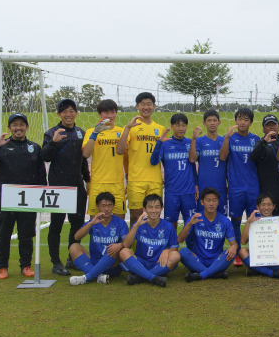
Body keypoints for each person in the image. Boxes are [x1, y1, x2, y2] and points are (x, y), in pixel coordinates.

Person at [0, 113, 47, 279]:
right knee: (4, 234)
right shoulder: (1, 146)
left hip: (29, 198)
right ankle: (2, 267)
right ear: (10, 128)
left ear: (27, 127)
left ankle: (25, 265)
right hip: (6, 198)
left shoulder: (34, 147)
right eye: (15, 125)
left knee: (26, 235)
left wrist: (41, 194)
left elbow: (41, 174)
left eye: (22, 124)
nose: (19, 127)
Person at [41, 98, 90, 276]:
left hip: (77, 187)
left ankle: (73, 257)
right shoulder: (51, 132)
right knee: (56, 225)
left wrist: (87, 180)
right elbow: (45, 157)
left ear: (76, 113)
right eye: (64, 111)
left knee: (77, 226)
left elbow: (83, 161)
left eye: (71, 111)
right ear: (59, 114)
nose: (68, 114)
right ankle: (56, 262)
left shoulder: (80, 132)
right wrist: (53, 142)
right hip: (58, 188)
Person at [117, 92, 165, 227]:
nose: (146, 107)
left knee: (154, 218)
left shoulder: (160, 129)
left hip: (155, 180)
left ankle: (152, 247)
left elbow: (163, 156)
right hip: (136, 180)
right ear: (137, 106)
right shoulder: (131, 128)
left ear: (154, 106)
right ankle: (134, 248)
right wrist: (127, 128)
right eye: (142, 104)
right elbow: (120, 150)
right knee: (135, 217)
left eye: (149, 104)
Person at [219, 107, 260, 266]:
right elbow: (222, 158)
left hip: (253, 187)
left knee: (254, 220)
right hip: (236, 187)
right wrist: (227, 138)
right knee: (235, 220)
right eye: (239, 119)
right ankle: (237, 252)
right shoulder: (230, 138)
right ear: (235, 121)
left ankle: (255, 250)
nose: (242, 122)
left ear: (251, 122)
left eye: (246, 119)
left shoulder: (256, 139)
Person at [150, 113, 197, 243]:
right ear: (172, 126)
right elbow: (153, 161)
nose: (181, 128)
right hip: (172, 193)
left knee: (191, 224)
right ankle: (171, 251)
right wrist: (159, 142)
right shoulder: (165, 144)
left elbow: (193, 165)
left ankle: (192, 253)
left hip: (188, 192)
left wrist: (196, 185)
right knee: (170, 225)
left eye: (183, 125)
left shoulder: (190, 142)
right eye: (177, 125)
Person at [178, 187, 238, 282]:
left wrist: (234, 247)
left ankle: (201, 274)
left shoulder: (225, 221)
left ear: (218, 202)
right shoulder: (195, 218)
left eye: (214, 200)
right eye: (208, 200)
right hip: (198, 258)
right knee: (182, 252)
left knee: (231, 252)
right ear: (202, 202)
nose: (211, 204)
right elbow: (180, 240)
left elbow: (234, 244)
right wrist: (189, 224)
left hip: (216, 259)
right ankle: (214, 273)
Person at [118, 194, 180, 287]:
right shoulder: (139, 224)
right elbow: (126, 245)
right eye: (150, 207)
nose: (154, 211)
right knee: (124, 252)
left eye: (157, 207)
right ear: (144, 209)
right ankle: (152, 277)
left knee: (176, 256)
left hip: (159, 263)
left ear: (162, 208)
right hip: (140, 262)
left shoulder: (168, 226)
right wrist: (136, 226)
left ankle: (140, 276)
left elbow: (174, 247)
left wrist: (167, 251)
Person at [68, 192, 127, 286]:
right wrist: (90, 224)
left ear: (113, 206)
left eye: (109, 205)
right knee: (74, 247)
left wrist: (119, 245)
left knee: (116, 249)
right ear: (97, 206)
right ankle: (99, 276)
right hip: (94, 261)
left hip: (112, 265)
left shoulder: (120, 223)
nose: (106, 209)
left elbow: (127, 243)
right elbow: (77, 237)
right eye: (103, 206)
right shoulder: (94, 221)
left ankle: (86, 277)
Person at [82, 99, 126, 220]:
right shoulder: (91, 132)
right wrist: (95, 133)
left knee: (119, 221)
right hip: (98, 183)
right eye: (106, 113)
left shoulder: (122, 132)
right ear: (100, 114)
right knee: (95, 222)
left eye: (112, 112)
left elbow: (123, 152)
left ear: (116, 113)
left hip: (116, 183)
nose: (110, 116)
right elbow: (86, 154)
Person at [239, 193, 279, 279]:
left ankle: (257, 270)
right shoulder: (253, 221)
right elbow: (243, 241)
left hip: (274, 258)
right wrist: (248, 222)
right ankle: (272, 273)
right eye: (263, 205)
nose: (266, 208)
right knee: (242, 251)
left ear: (273, 206)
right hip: (258, 258)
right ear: (258, 207)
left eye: (269, 204)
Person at [251, 115, 279, 220]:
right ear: (264, 129)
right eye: (268, 125)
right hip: (269, 189)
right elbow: (253, 157)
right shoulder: (261, 143)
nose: (272, 127)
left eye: (274, 124)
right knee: (270, 219)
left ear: (278, 126)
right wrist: (264, 141)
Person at [190, 109, 227, 216]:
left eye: (214, 120)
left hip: (221, 186)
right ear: (204, 123)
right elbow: (192, 159)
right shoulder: (199, 141)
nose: (212, 123)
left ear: (219, 122)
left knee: (221, 218)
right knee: (202, 218)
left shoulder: (224, 140)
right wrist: (193, 139)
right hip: (204, 186)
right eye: (209, 120)